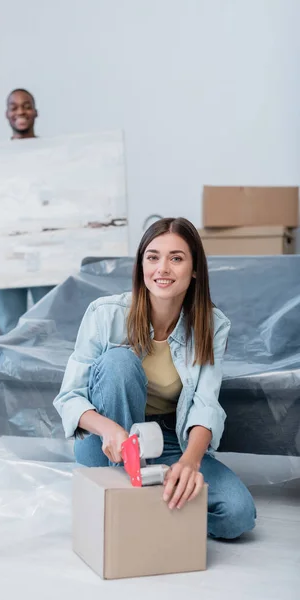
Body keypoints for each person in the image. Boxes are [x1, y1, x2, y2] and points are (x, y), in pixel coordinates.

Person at [54, 217, 256, 540]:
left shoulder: (212, 325)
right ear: (141, 265)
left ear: (193, 270)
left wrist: (189, 462)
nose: (162, 268)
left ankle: (144, 507)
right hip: (108, 442)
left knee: (238, 514)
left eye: (176, 258)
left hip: (169, 439)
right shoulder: (105, 314)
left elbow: (206, 405)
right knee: (119, 362)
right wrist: (111, 430)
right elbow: (69, 397)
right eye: (153, 257)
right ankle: (130, 498)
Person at [0, 88, 54, 334]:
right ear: (7, 114)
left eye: (26, 105)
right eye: (14, 106)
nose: (21, 111)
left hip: (46, 250)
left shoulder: (51, 156)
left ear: (35, 112)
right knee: (8, 326)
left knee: (47, 321)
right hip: (7, 250)